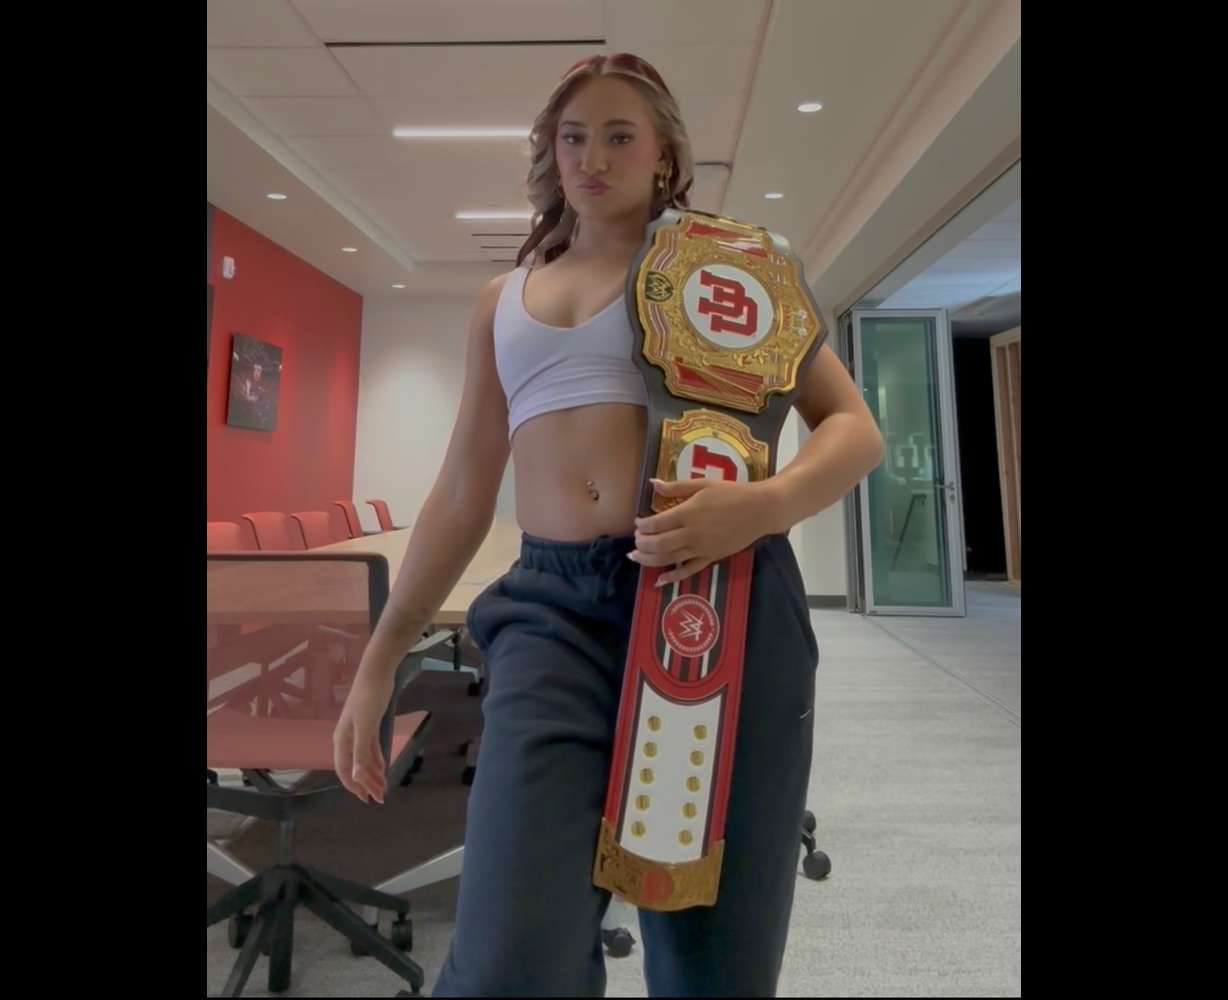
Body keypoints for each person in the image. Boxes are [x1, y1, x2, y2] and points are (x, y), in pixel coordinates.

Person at [333, 52, 885, 997]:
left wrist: (763, 505)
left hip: (723, 600)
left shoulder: (733, 271)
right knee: (510, 959)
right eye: (573, 136)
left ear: (664, 151)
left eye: (619, 135)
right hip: (554, 614)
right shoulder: (502, 299)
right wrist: (382, 654)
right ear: (551, 152)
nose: (593, 156)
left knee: (715, 950)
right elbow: (465, 488)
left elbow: (855, 431)